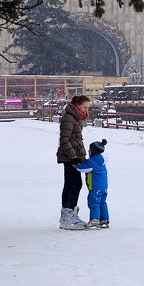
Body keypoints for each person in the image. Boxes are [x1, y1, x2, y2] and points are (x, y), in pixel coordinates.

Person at [56, 95, 91, 230]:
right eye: (84, 107)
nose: (86, 110)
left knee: (75, 184)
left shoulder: (75, 118)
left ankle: (71, 213)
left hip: (75, 157)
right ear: (77, 105)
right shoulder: (69, 118)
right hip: (70, 158)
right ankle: (67, 215)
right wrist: (73, 156)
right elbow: (64, 140)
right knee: (72, 184)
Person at [76, 139, 110, 229]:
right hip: (103, 187)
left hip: (95, 187)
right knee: (102, 203)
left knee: (94, 202)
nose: (88, 152)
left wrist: (76, 164)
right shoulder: (101, 160)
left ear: (93, 151)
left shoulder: (92, 162)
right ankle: (104, 219)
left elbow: (82, 168)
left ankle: (95, 219)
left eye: (89, 150)